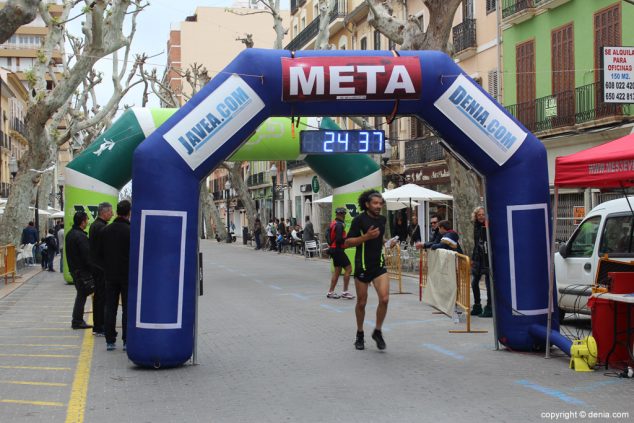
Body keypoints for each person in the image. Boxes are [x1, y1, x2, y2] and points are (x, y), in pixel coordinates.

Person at [344, 190, 397, 351]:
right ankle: (360, 334)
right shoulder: (358, 220)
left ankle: (377, 331)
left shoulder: (382, 219)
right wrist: (365, 237)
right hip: (363, 266)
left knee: (385, 299)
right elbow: (348, 242)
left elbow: (379, 238)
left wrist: (387, 243)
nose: (378, 206)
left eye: (380, 203)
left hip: (378, 265)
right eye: (375, 203)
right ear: (367, 204)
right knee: (361, 303)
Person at [99, 200, 131, 351]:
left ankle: (110, 340)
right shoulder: (131, 231)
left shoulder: (105, 230)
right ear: (129, 212)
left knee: (110, 307)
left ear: (117, 212)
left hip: (110, 275)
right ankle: (126, 340)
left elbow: (98, 254)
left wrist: (105, 268)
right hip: (126, 275)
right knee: (127, 308)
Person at [65, 211, 93, 330]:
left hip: (74, 269)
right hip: (81, 271)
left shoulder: (70, 234)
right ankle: (77, 321)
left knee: (81, 295)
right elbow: (87, 256)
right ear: (83, 222)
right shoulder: (80, 236)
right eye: (86, 220)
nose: (87, 222)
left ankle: (77, 320)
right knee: (82, 295)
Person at [89, 202, 113, 336]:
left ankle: (98, 325)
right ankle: (100, 326)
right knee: (101, 298)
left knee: (99, 297)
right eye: (110, 212)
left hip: (96, 265)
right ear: (104, 213)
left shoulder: (95, 225)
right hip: (101, 267)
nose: (112, 214)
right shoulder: (102, 227)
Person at [326, 207, 354, 300]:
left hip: (333, 249)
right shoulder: (339, 225)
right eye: (344, 214)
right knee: (349, 269)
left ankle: (330, 292)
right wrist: (346, 240)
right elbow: (338, 239)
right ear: (341, 214)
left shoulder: (333, 223)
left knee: (337, 271)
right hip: (338, 250)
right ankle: (345, 292)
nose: (344, 216)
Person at [470, 206, 492, 318]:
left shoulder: (488, 225)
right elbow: (476, 245)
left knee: (489, 284)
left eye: (483, 214)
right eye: (479, 215)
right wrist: (473, 258)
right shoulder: (476, 226)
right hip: (478, 258)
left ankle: (489, 307)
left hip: (487, 258)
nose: (481, 216)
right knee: (474, 282)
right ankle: (477, 305)